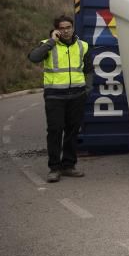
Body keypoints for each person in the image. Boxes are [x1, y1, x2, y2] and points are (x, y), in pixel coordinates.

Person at [28, 15, 94, 182]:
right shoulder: (47, 45)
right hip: (55, 97)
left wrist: (88, 89)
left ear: (73, 28)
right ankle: (54, 168)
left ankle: (69, 166)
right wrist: (51, 42)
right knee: (55, 131)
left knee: (72, 132)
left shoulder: (82, 46)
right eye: (62, 28)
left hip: (77, 96)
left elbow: (88, 70)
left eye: (68, 27)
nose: (65, 31)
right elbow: (34, 58)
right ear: (56, 30)